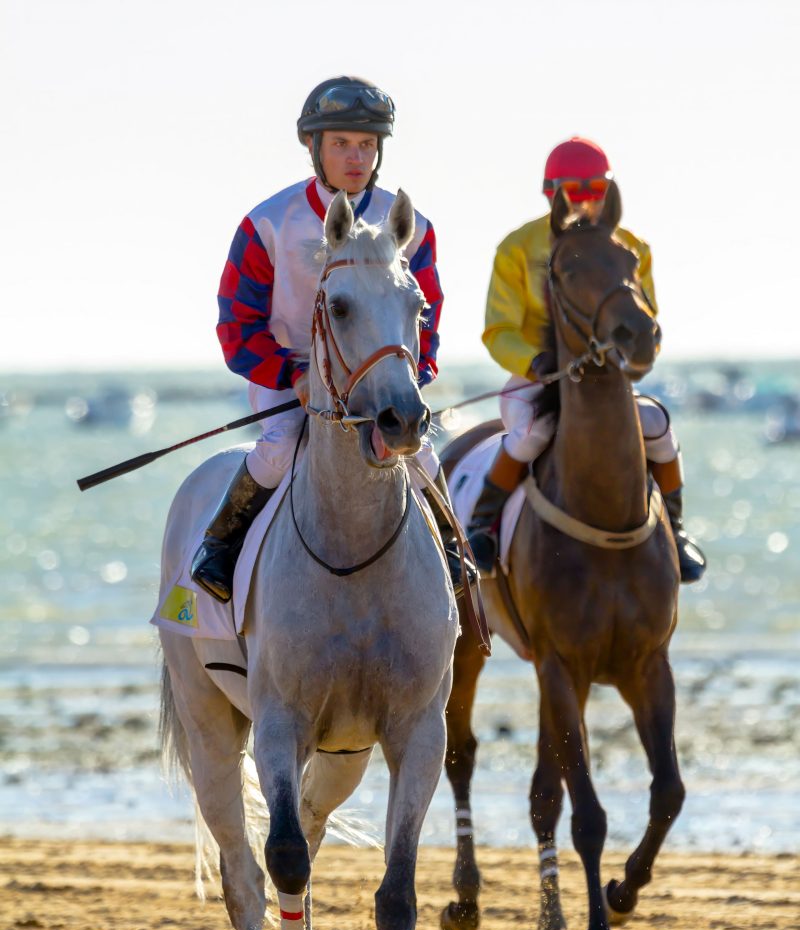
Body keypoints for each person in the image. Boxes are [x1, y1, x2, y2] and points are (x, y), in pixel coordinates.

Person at [191, 76, 459, 603]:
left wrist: (409, 377)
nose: (356, 157)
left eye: (366, 145)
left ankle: (456, 555)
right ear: (314, 147)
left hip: (378, 376)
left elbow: (426, 317)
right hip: (288, 373)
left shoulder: (414, 226)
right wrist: (292, 377)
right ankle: (217, 547)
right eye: (341, 143)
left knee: (422, 454)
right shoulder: (267, 223)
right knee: (280, 444)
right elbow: (236, 323)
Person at [467, 136, 707, 583]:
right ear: (551, 192)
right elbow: (498, 330)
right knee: (533, 431)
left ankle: (674, 528)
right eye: (575, 190)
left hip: (608, 383)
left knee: (657, 428)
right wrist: (535, 361)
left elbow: (643, 316)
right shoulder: (517, 247)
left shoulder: (631, 247)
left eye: (597, 188)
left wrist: (637, 351)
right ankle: (482, 527)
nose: (587, 199)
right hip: (537, 377)